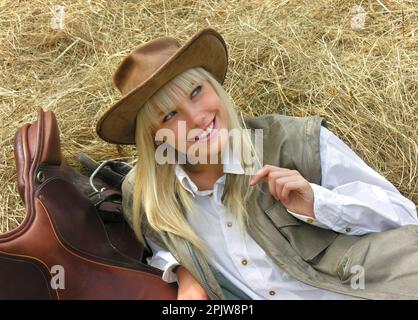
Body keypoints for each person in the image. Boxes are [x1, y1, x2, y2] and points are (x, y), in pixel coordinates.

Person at [96, 28, 418, 300]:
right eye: (169, 115)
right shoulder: (148, 196)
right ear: (155, 137)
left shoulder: (294, 141)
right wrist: (184, 272)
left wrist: (318, 203)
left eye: (196, 92)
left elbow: (404, 217)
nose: (196, 118)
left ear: (214, 87)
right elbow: (161, 243)